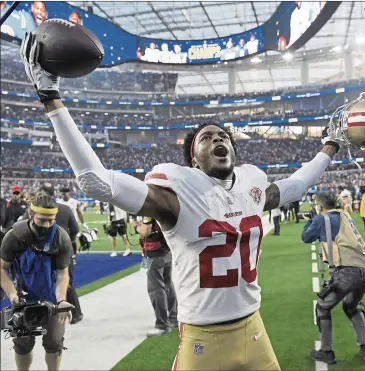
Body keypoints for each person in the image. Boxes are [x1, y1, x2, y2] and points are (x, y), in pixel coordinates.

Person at [21, 33, 342, 370]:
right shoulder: (175, 197)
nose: (218, 138)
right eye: (207, 137)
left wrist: (330, 146)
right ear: (194, 159)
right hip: (203, 338)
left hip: (254, 329)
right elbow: (95, 180)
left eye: (224, 136)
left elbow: (296, 184)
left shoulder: (251, 188)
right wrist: (50, 96)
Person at [0, 192, 73, 371]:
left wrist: (62, 300)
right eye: (42, 220)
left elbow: (63, 274)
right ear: (31, 215)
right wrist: (11, 293)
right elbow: (2, 268)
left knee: (54, 342)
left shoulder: (61, 237)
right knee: (22, 344)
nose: (48, 225)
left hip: (52, 298)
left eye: (51, 220)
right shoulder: (14, 236)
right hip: (22, 297)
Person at [301, 192, 365, 365]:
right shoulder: (345, 215)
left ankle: (326, 351)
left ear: (320, 207)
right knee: (351, 306)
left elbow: (305, 237)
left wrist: (311, 220)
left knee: (322, 308)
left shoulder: (321, 219)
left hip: (346, 273)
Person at [20, 183, 83, 324]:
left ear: (42, 193)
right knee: (67, 281)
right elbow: (75, 229)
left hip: (40, 253)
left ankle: (46, 316)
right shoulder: (65, 209)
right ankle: (76, 314)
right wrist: (68, 242)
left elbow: (24, 227)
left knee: (41, 282)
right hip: (63, 251)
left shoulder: (34, 210)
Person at [136, 216, 178, 337]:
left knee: (156, 289)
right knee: (167, 284)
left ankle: (162, 324)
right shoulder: (163, 205)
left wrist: (137, 227)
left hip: (155, 252)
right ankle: (173, 317)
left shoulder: (149, 210)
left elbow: (145, 231)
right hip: (166, 249)